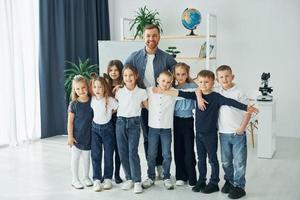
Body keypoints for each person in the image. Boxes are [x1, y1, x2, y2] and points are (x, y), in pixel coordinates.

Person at [161, 70, 258, 194]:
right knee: (201, 159)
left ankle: (214, 182)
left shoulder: (217, 97)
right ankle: (202, 181)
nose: (203, 84)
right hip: (199, 134)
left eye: (206, 82)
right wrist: (163, 90)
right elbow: (180, 93)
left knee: (212, 160)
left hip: (210, 134)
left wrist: (246, 107)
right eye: (200, 82)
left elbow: (231, 102)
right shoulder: (197, 94)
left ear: (213, 82)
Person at [125, 24, 177, 178]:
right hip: (143, 103)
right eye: (148, 36)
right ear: (143, 37)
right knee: (148, 137)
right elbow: (125, 73)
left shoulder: (167, 57)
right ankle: (151, 168)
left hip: (161, 103)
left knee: (162, 135)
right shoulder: (134, 57)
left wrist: (170, 90)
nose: (151, 39)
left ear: (159, 37)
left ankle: (161, 167)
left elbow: (178, 75)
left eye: (154, 35)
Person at [215, 65, 251, 199]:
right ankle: (229, 182)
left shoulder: (239, 92)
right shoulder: (218, 92)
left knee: (239, 161)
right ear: (217, 79)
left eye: (227, 76)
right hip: (223, 133)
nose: (224, 79)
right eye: (221, 77)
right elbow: (200, 87)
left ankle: (239, 186)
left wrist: (242, 128)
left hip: (237, 133)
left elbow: (248, 111)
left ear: (232, 77)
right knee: (226, 161)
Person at [115, 64, 148, 194]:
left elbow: (148, 107)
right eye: (125, 75)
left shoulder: (142, 92)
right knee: (122, 152)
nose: (128, 78)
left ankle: (137, 181)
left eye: (130, 75)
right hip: (120, 123)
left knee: (132, 152)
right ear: (122, 77)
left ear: (136, 76)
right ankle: (129, 178)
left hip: (134, 123)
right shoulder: (119, 91)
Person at [142, 71, 177, 190]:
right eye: (163, 81)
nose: (165, 84)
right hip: (153, 128)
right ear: (157, 80)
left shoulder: (173, 93)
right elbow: (139, 93)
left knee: (166, 154)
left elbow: (186, 93)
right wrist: (148, 107)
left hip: (166, 129)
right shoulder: (150, 90)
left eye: (168, 82)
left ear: (171, 82)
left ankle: (166, 177)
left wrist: (164, 91)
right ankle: (150, 177)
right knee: (151, 154)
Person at [90, 76, 118, 192]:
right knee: (96, 155)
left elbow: (117, 107)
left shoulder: (110, 100)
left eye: (100, 87)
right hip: (95, 129)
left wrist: (110, 113)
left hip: (108, 129)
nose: (97, 89)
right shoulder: (92, 99)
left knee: (108, 155)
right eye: (95, 87)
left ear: (104, 88)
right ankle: (96, 179)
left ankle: (107, 178)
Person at [172, 63, 197, 187]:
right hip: (176, 121)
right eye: (177, 74)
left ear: (187, 74)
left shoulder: (193, 86)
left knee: (189, 149)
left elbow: (197, 98)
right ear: (174, 75)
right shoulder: (172, 88)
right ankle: (180, 176)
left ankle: (192, 176)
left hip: (188, 121)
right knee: (178, 149)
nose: (180, 77)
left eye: (183, 74)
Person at [67, 75, 93, 189]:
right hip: (76, 137)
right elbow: (70, 122)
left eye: (83, 87)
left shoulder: (92, 101)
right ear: (74, 90)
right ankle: (75, 179)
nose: (81, 91)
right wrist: (70, 137)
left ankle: (86, 177)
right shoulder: (74, 104)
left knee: (87, 158)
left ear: (87, 86)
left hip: (89, 136)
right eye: (77, 89)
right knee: (75, 158)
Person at [104, 60, 124, 184]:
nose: (113, 72)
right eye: (111, 70)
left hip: (119, 120)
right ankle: (107, 175)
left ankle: (117, 174)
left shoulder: (125, 85)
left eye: (116, 70)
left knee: (118, 148)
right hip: (106, 121)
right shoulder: (105, 85)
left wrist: (122, 87)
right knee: (108, 149)